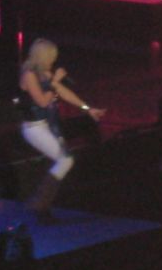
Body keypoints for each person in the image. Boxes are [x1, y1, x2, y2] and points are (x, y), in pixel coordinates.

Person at [18, 38, 105, 222]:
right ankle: (39, 203)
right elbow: (42, 101)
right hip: (34, 128)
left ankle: (42, 204)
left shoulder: (45, 73)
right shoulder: (29, 74)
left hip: (49, 125)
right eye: (51, 56)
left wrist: (87, 109)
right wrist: (55, 81)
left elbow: (64, 92)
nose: (54, 60)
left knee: (64, 160)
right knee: (65, 160)